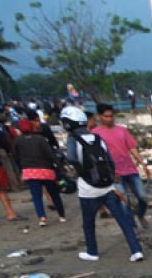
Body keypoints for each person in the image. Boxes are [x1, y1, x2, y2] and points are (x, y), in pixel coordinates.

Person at [60, 105, 143, 263]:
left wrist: (82, 170)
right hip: (107, 186)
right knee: (122, 220)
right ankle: (136, 250)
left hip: (88, 188)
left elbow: (71, 158)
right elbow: (109, 160)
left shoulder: (73, 139)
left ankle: (92, 252)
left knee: (88, 222)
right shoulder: (96, 138)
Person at [92, 104, 150, 226]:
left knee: (143, 196)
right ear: (99, 117)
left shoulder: (122, 130)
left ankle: (140, 215)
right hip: (114, 173)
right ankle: (132, 226)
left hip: (130, 169)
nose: (109, 119)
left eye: (111, 116)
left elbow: (132, 148)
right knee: (124, 201)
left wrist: (142, 163)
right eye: (106, 116)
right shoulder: (95, 133)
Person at [13, 119, 68, 227]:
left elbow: (15, 157)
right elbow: (50, 154)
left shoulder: (17, 141)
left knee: (36, 196)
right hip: (46, 170)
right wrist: (60, 167)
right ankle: (61, 215)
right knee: (54, 194)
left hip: (29, 171)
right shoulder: (40, 139)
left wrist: (21, 169)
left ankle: (42, 218)